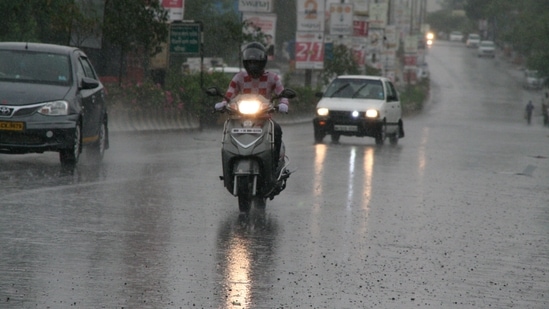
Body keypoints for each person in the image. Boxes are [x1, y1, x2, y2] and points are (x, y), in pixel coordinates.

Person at [215, 42, 289, 169]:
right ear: (245, 62)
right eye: (250, 62)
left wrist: (283, 103)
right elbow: (229, 95)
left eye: (256, 62)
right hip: (240, 118)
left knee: (276, 130)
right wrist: (222, 104)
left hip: (264, 118)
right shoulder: (239, 78)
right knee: (228, 132)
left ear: (263, 62)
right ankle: (229, 165)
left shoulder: (273, 78)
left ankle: (274, 164)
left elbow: (282, 93)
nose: (253, 65)